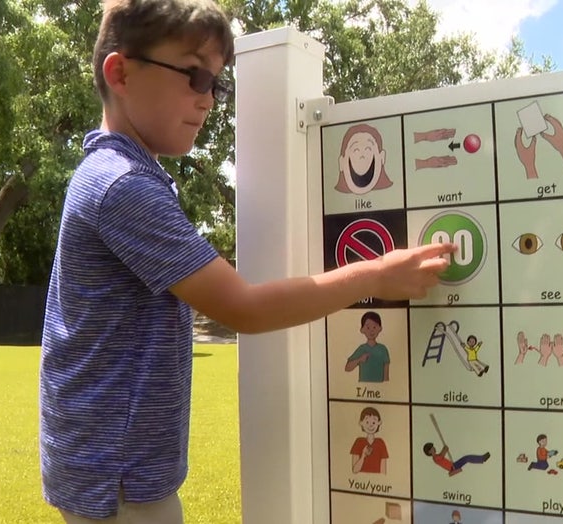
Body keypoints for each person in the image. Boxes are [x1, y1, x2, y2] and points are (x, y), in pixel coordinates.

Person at [38, 1, 455, 523]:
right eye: (194, 76)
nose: (209, 100)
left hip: (112, 468)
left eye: (217, 84)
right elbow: (244, 308)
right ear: (120, 72)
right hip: (118, 479)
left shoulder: (116, 173)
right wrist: (378, 274)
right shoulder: (122, 186)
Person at [344, 311, 390, 383]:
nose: (371, 330)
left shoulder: (383, 349)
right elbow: (347, 368)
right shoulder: (361, 349)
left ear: (380, 328)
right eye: (368, 327)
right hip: (363, 387)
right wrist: (359, 359)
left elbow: (386, 373)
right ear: (362, 330)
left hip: (379, 389)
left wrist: (385, 387)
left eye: (374, 327)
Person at [350, 407, 389, 474]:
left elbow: (383, 471)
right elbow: (354, 470)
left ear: (379, 423)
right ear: (361, 423)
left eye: (373, 422)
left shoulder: (380, 443)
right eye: (367, 422)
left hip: (378, 482)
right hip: (360, 482)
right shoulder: (358, 442)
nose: (370, 425)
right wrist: (363, 456)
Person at [422, 442, 490, 477]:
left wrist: (445, 449)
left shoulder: (436, 456)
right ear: (429, 452)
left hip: (453, 465)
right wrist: (445, 449)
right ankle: (482, 459)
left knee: (466, 458)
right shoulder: (435, 458)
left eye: (433, 447)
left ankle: (481, 459)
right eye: (432, 448)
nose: (434, 448)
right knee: (467, 458)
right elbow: (442, 455)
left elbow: (441, 454)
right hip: (453, 467)